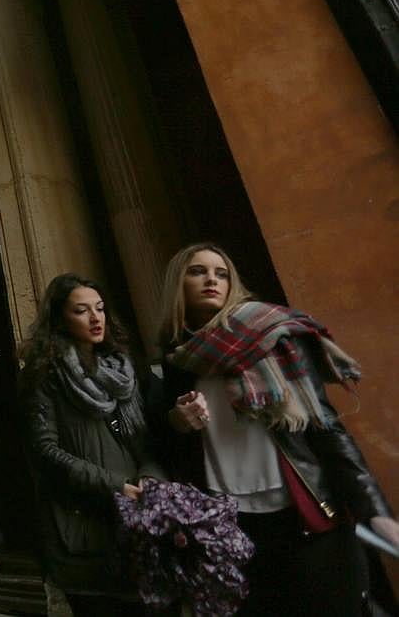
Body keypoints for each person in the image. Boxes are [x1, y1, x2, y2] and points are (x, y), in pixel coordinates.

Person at [154, 243, 399, 617]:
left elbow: (324, 425)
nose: (211, 280)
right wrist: (177, 423)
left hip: (302, 511)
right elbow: (166, 450)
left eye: (221, 274)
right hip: (230, 524)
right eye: (197, 271)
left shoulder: (272, 335)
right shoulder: (177, 362)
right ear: (178, 283)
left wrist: (373, 507)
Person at [20, 274, 161, 617]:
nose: (96, 318)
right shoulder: (44, 375)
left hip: (140, 518)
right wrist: (114, 486)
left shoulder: (127, 369)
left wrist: (150, 475)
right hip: (84, 522)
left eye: (99, 309)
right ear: (60, 319)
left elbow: (154, 436)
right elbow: (45, 451)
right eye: (82, 311)